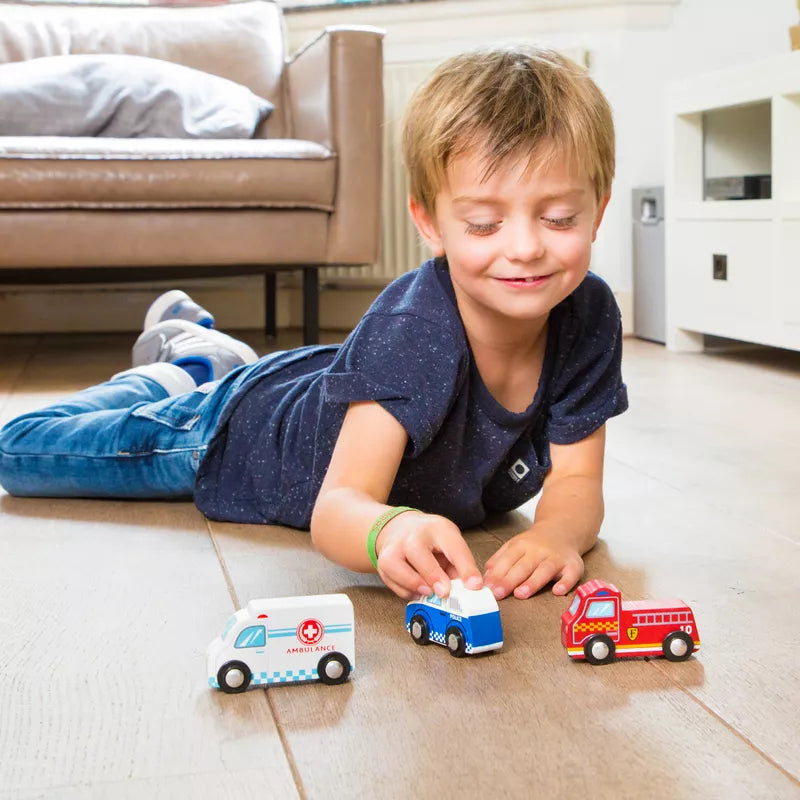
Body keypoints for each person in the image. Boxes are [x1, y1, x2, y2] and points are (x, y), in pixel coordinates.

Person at [0, 46, 627, 602]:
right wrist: (388, 530)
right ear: (429, 223)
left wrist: (554, 534)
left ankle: (207, 356)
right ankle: (175, 375)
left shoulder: (587, 314)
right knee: (19, 451)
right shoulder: (416, 334)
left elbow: (576, 480)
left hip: (323, 380)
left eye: (559, 218)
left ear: (597, 211)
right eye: (485, 224)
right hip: (236, 435)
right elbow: (338, 510)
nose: (523, 248)